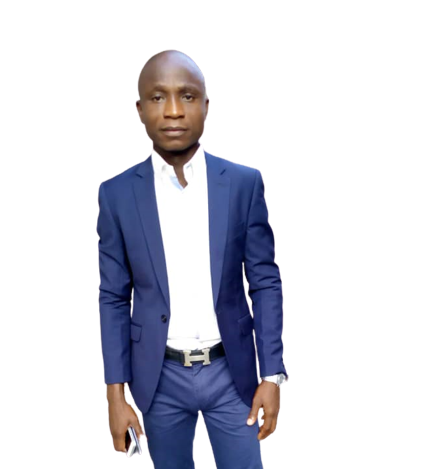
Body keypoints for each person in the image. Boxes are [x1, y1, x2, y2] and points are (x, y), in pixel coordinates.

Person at [97, 49, 287, 469]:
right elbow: (113, 297)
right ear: (139, 110)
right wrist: (115, 395)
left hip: (232, 374)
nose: (173, 111)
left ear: (206, 105)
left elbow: (265, 282)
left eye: (186, 96)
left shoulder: (243, 183)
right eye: (157, 97)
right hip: (158, 379)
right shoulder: (116, 194)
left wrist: (272, 376)